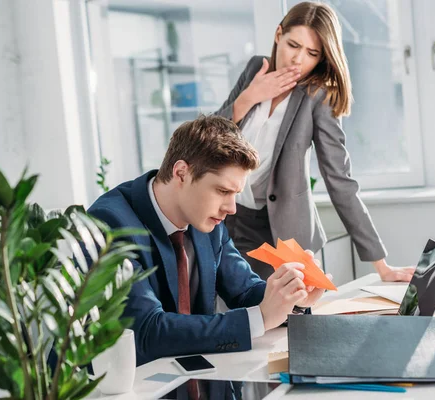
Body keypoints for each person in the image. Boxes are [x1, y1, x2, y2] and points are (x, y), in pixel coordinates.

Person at [87, 115, 330, 367]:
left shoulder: (207, 218)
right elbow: (148, 330)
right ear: (181, 173)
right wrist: (261, 317)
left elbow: (245, 291)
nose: (232, 208)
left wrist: (293, 298)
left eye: (236, 193)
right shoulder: (108, 223)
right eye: (223, 191)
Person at [215, 1, 414, 282]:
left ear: (321, 58)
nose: (298, 59)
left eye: (311, 53)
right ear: (278, 35)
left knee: (289, 319)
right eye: (293, 45)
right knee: (235, 318)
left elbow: (339, 179)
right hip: (227, 219)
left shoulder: (318, 97)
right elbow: (207, 137)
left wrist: (381, 266)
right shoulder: (255, 69)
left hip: (280, 230)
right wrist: (248, 98)